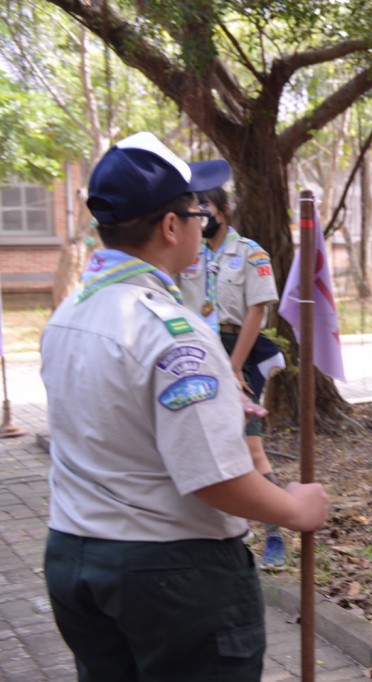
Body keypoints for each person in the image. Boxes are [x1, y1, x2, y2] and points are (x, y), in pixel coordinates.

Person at [41, 131, 329, 681]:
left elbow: (109, 420)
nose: (205, 223)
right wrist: (295, 509)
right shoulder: (174, 334)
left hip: (76, 557)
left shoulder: (70, 313)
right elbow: (210, 477)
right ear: (171, 226)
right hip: (169, 574)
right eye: (199, 212)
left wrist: (221, 411)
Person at [176, 186, 288, 569]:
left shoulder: (250, 253)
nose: (198, 214)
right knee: (204, 440)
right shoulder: (186, 250)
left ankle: (276, 535)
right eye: (195, 208)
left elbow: (257, 312)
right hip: (197, 350)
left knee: (252, 448)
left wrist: (235, 365)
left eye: (203, 207)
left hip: (238, 348)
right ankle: (220, 533)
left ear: (222, 211)